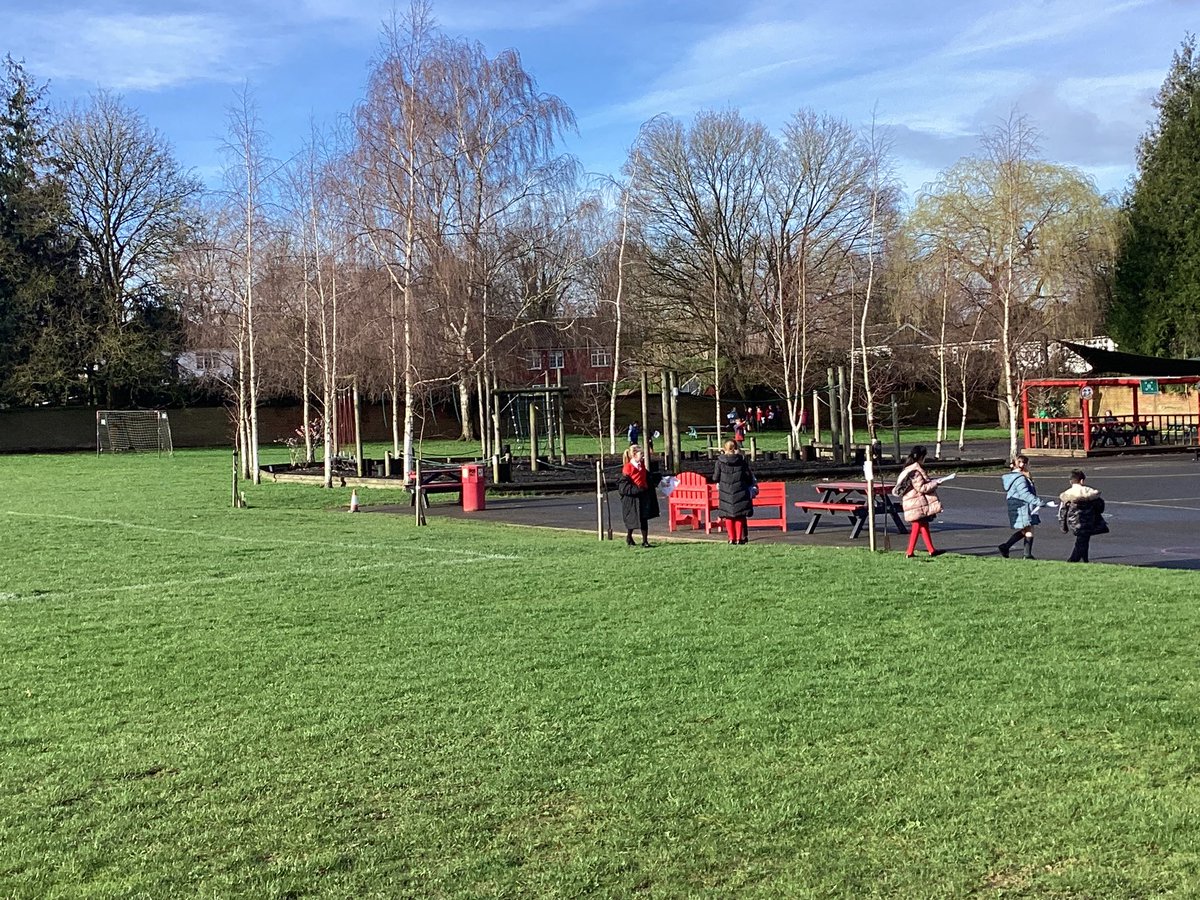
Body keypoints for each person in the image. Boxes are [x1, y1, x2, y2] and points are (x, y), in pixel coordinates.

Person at [894, 445, 944, 558]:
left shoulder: (907, 469)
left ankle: (931, 550)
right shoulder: (915, 471)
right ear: (921, 457)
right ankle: (909, 552)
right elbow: (921, 488)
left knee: (924, 524)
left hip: (912, 501)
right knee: (916, 525)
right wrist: (936, 483)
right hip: (916, 502)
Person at [998, 453, 1050, 559]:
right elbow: (1025, 494)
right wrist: (1039, 502)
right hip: (1022, 506)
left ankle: (1006, 547)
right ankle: (1026, 554)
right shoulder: (1020, 478)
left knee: (1026, 530)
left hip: (1020, 505)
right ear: (1023, 465)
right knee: (1029, 529)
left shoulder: (1017, 477)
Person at [712, 439, 756, 545]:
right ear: (736, 448)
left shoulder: (719, 462)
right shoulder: (741, 461)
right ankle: (739, 538)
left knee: (728, 515)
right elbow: (748, 477)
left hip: (726, 491)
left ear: (724, 449)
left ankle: (731, 538)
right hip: (740, 490)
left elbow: (715, 477)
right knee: (739, 515)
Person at [1058, 469, 1106, 563]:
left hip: (1073, 522)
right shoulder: (1089, 492)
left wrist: (1063, 526)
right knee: (1082, 541)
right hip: (1088, 521)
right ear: (1082, 481)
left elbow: (1062, 511)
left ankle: (1085, 560)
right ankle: (1073, 560)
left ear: (1071, 481)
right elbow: (1100, 506)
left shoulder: (1067, 494)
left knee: (1083, 539)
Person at [619, 444, 659, 547]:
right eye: (641, 454)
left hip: (643, 495)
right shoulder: (628, 468)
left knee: (644, 518)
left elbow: (646, 476)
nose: (643, 456)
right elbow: (624, 486)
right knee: (633, 519)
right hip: (632, 497)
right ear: (634, 455)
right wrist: (637, 489)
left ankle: (645, 541)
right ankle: (629, 537)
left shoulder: (641, 465)